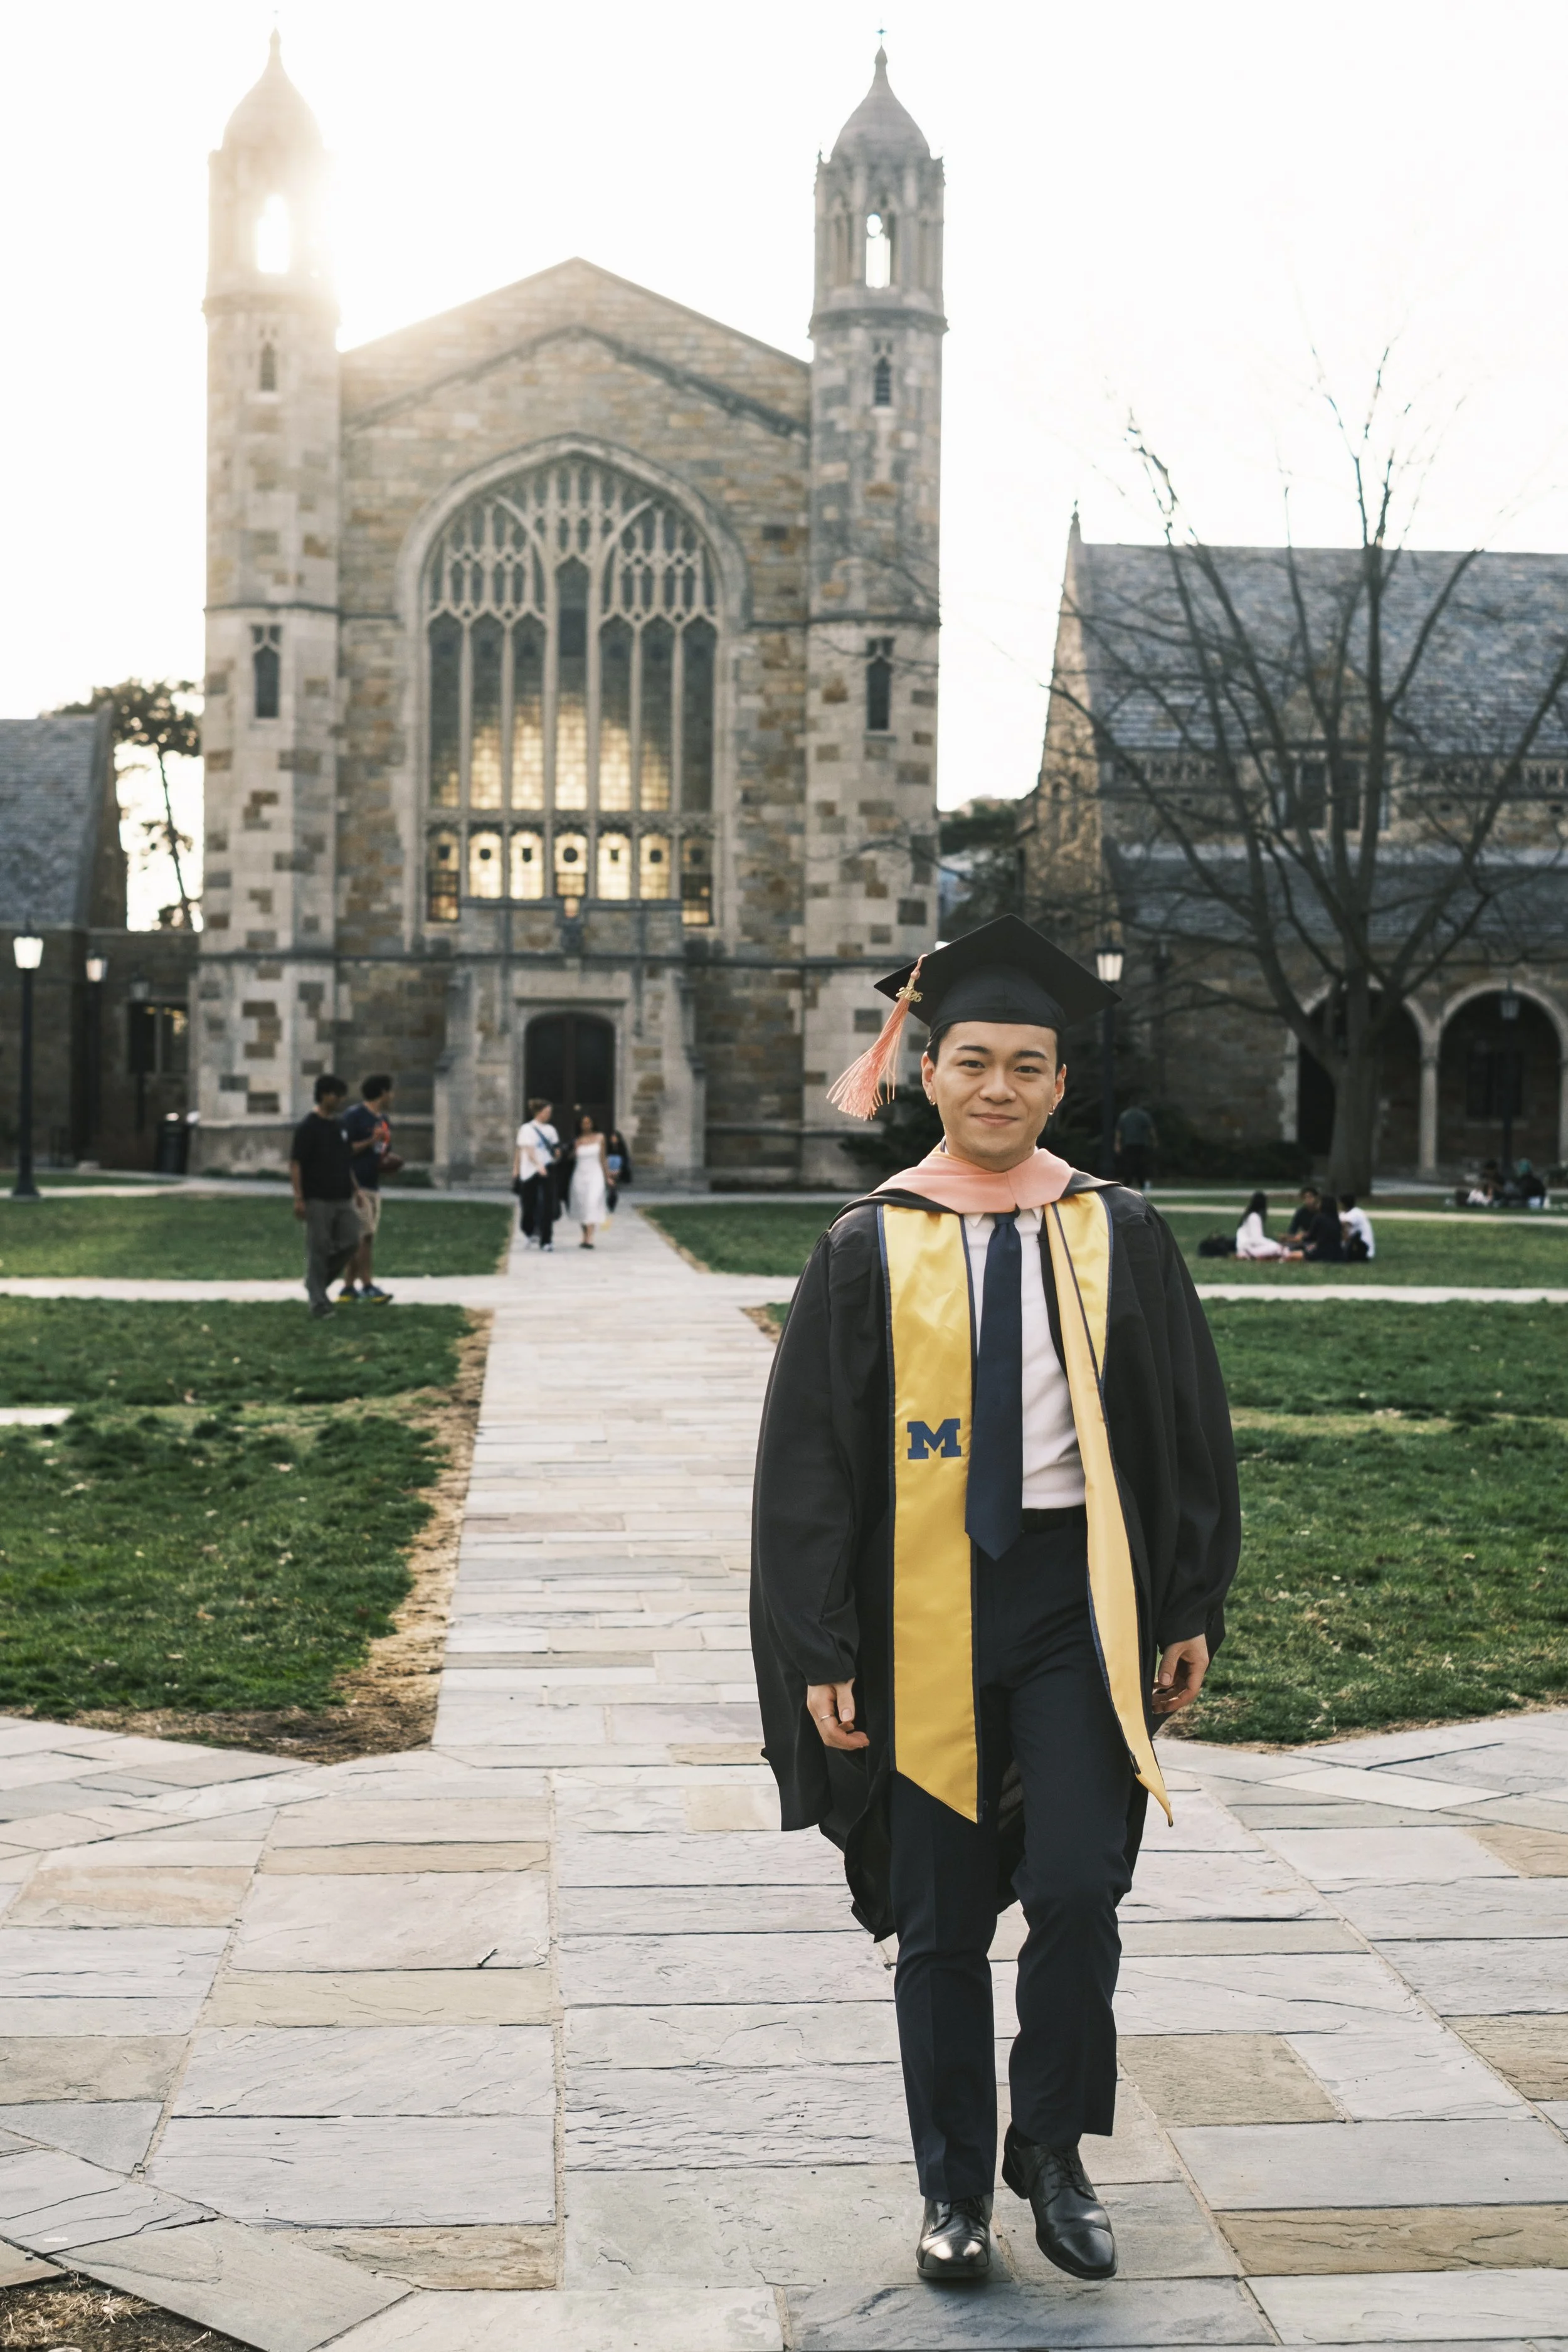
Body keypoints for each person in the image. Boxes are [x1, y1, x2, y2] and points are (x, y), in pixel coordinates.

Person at [751, 914, 1239, 2289]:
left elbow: (1184, 1433)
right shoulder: (868, 1245)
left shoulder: (1116, 1232)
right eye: (973, 1062)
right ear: (928, 1073)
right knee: (943, 1920)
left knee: (1079, 1887)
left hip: (1075, 1597)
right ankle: (953, 2189)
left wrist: (1185, 1598)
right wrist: (819, 1644)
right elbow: (806, 1468)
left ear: (1057, 1086)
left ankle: (1054, 2152)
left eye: (1028, 1066)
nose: (998, 1089)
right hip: (918, 1605)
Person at [289, 1074, 366, 1320]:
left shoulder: (340, 1125)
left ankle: (316, 1283)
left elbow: (345, 1158)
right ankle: (319, 1303)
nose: (341, 1100)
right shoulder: (308, 1127)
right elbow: (296, 1164)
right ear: (324, 1095)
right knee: (319, 1247)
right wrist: (299, 1198)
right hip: (317, 1198)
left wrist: (356, 1188)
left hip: (343, 1196)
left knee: (351, 1241)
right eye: (337, 1095)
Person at [339, 1074, 398, 1303]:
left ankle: (348, 1289)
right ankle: (368, 1286)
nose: (392, 1096)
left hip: (373, 1184)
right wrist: (371, 1141)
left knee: (366, 1238)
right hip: (357, 1184)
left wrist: (388, 1161)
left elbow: (382, 1151)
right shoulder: (355, 1116)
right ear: (382, 1092)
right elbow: (345, 1150)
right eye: (390, 1091)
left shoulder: (383, 1119)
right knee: (363, 1237)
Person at [514, 1099, 560, 1251]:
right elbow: (528, 1150)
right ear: (539, 1112)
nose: (549, 1115)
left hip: (547, 1169)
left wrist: (557, 1154)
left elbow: (554, 1150)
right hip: (530, 1171)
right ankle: (529, 1232)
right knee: (529, 1204)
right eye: (547, 1112)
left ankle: (546, 1240)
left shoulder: (551, 1130)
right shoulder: (526, 1129)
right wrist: (538, 1166)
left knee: (548, 1205)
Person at [568, 1110, 609, 1248]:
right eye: (583, 1123)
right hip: (580, 1175)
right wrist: (574, 1149)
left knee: (592, 1202)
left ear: (593, 1124)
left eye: (588, 1122)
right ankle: (584, 1235)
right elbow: (571, 1158)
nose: (586, 1125)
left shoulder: (600, 1138)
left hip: (595, 1174)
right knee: (582, 1206)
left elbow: (603, 1159)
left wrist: (607, 1176)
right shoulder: (578, 1141)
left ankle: (590, 1237)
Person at [1113, 1102, 1158, 1192]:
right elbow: (1151, 1129)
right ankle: (1142, 1183)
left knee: (1129, 1164)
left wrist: (1117, 1143)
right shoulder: (1143, 1115)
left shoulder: (1124, 1115)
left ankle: (1127, 1183)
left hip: (1128, 1143)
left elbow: (1119, 1131)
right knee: (1141, 1164)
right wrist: (1154, 1140)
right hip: (1141, 1143)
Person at [1235, 1189, 1285, 1259]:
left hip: (1245, 1248)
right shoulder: (1254, 1217)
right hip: (1248, 1249)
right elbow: (1257, 1240)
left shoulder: (1249, 1216)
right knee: (1280, 1249)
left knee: (1279, 1248)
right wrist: (1272, 1243)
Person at [604, 1126, 633, 1212]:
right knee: (612, 1187)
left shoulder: (621, 1148)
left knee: (614, 1187)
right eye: (612, 1137)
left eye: (615, 1137)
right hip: (610, 1168)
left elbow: (625, 1159)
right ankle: (611, 1202)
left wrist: (619, 1170)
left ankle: (612, 1202)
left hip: (618, 1169)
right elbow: (605, 1158)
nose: (613, 1139)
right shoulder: (608, 1148)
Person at [1339, 1193, 1375, 1261]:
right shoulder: (1343, 1214)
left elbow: (1344, 1229)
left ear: (1344, 1204)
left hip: (1362, 1247)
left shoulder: (1356, 1213)